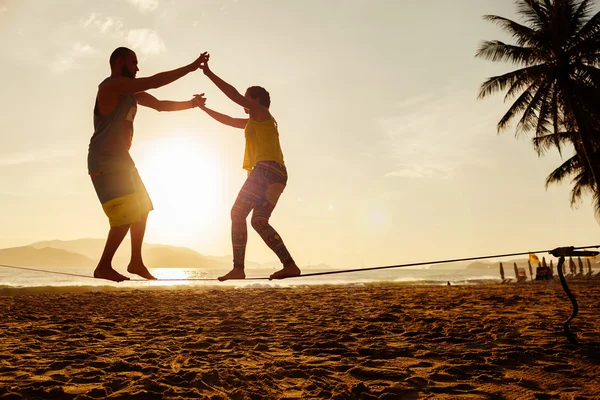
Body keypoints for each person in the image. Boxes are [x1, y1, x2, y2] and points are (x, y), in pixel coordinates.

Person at [89, 47, 207, 282]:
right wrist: (191, 67)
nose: (137, 67)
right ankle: (103, 266)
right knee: (128, 213)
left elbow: (160, 105)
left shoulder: (132, 94)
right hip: (104, 160)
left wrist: (191, 104)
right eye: (134, 63)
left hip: (122, 161)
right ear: (119, 62)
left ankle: (135, 262)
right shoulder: (110, 87)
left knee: (143, 207)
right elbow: (154, 82)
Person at [192, 54, 300, 281]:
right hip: (279, 173)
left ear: (257, 101)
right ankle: (289, 265)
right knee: (259, 220)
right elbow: (228, 120)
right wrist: (203, 109)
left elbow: (233, 95)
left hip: (266, 170)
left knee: (237, 213)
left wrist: (208, 73)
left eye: (248, 98)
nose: (244, 101)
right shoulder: (255, 122)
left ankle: (238, 268)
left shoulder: (262, 113)